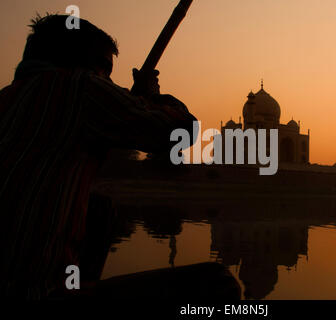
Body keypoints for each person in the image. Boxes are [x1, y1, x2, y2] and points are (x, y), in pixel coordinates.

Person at [0, 14, 197, 298]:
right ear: (77, 61)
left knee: (99, 208)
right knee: (217, 283)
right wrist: (153, 98)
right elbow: (181, 132)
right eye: (104, 67)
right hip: (32, 289)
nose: (106, 79)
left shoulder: (8, 98)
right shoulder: (80, 88)